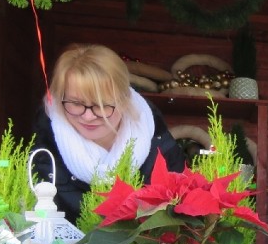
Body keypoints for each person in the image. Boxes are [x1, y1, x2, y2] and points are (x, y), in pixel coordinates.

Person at [32, 44, 186, 223]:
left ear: (124, 100)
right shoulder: (45, 151)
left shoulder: (162, 148)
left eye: (101, 105)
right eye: (75, 103)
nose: (88, 116)